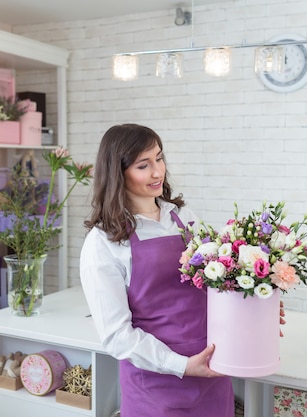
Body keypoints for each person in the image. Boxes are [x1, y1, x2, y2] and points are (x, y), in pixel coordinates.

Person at [79, 123, 235, 417]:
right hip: (155, 383)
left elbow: (216, 282)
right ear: (117, 173)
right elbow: (116, 335)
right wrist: (182, 365)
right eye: (143, 165)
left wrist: (250, 309)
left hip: (211, 370)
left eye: (159, 158)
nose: (157, 172)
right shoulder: (103, 242)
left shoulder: (184, 218)